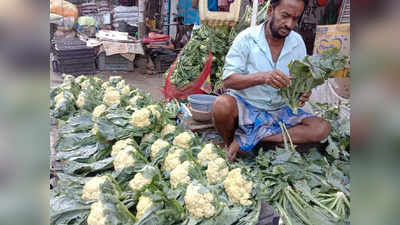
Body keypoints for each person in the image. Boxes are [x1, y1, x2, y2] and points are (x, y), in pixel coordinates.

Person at [212, 0, 331, 162]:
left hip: (279, 111)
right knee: (221, 105)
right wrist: (262, 77)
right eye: (285, 16)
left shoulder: (297, 43)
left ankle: (252, 139)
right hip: (247, 106)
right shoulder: (246, 39)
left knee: (322, 128)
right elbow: (228, 81)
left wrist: (303, 93)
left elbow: (300, 83)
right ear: (270, 11)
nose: (289, 24)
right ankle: (229, 144)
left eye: (295, 18)